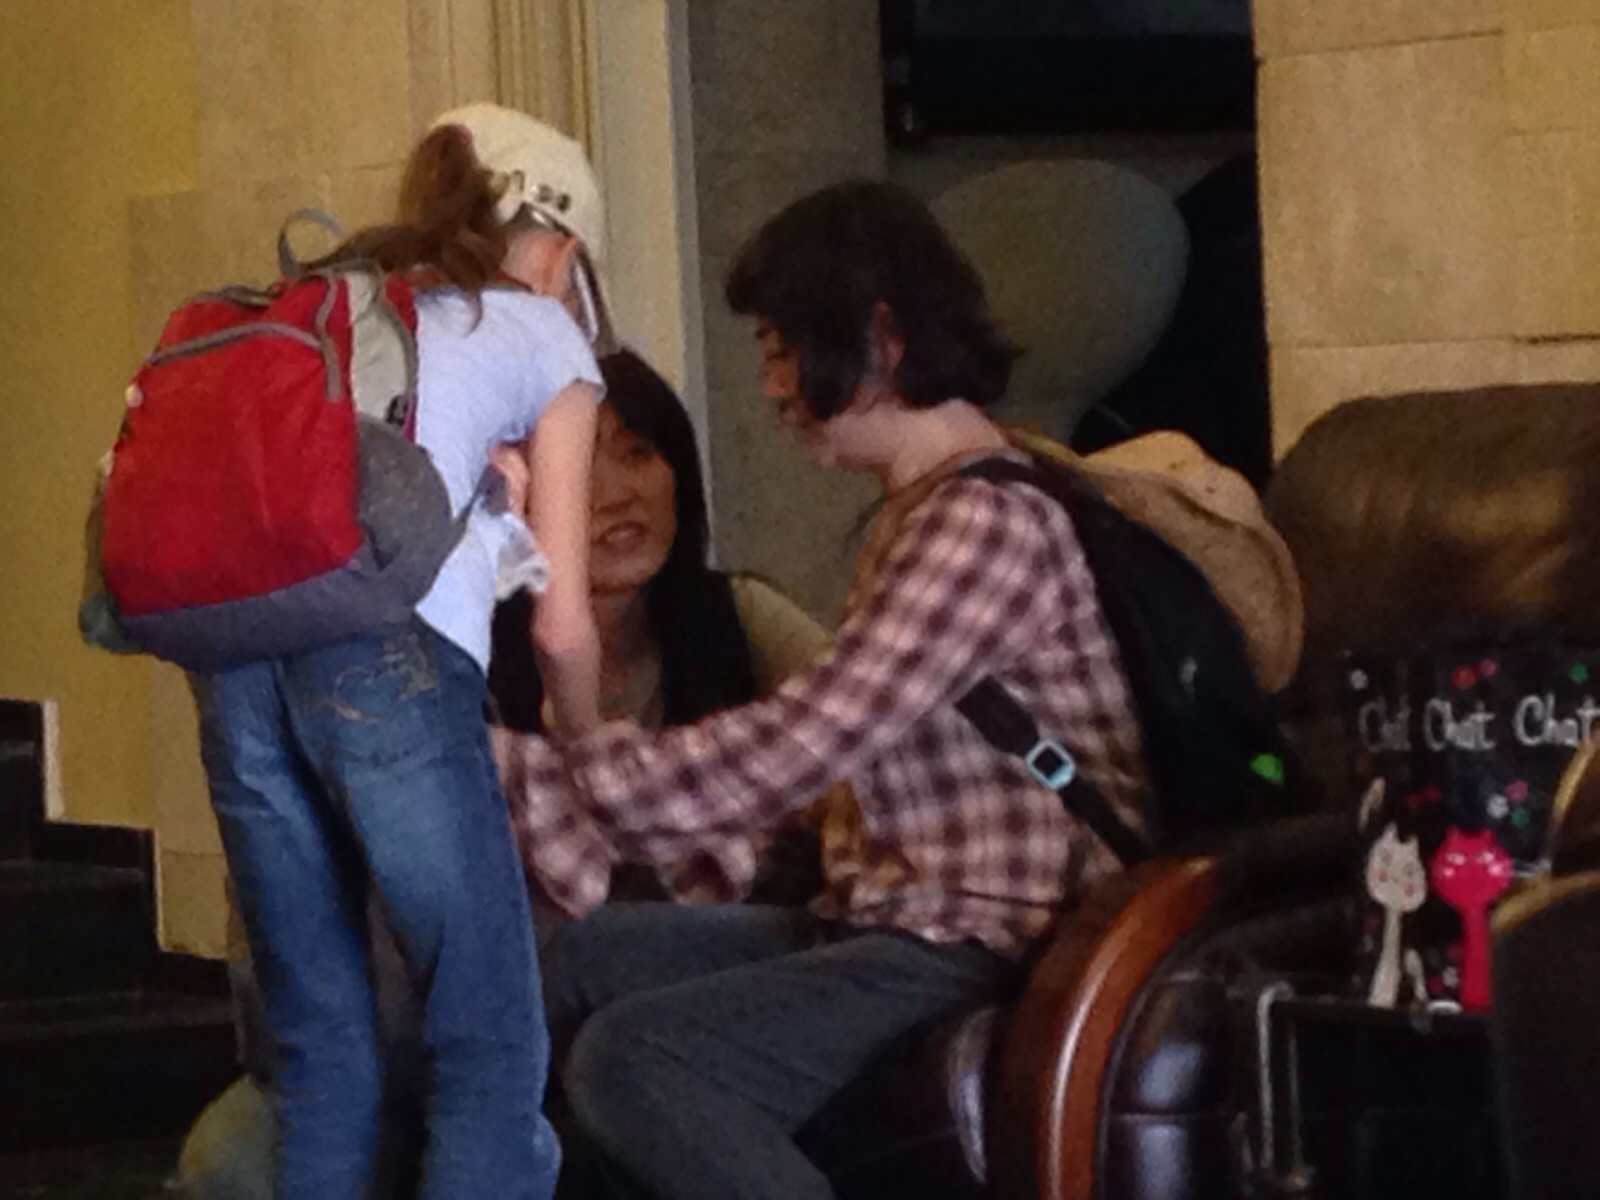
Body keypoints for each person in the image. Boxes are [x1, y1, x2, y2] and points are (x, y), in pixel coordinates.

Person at [493, 180, 1149, 1200]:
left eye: (781, 348)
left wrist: (559, 772)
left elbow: (809, 737)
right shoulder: (918, 511)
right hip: (886, 908)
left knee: (635, 1059)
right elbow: (848, 771)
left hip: (979, 930)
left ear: (880, 337)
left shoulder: (984, 525)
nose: (771, 386)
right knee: (559, 965)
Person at [176, 348, 832, 1200]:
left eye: (639, 453)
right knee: (231, 1164)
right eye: (580, 464)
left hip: (652, 1029)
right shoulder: (449, 649)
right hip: (449, 1041)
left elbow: (864, 743)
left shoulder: (734, 619)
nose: (617, 493)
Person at [186, 104, 606, 1200]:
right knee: (489, 1046)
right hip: (391, 671)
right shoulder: (538, 331)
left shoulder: (335, 307)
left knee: (324, 1058)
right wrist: (587, 745)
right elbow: (562, 622)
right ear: (558, 251)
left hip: (236, 672)